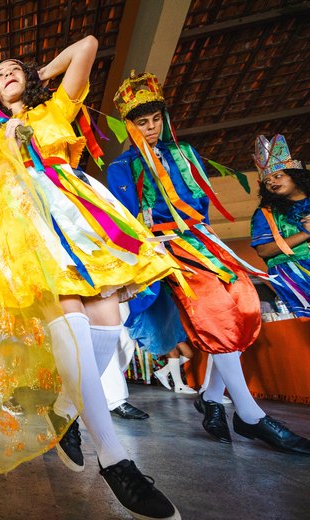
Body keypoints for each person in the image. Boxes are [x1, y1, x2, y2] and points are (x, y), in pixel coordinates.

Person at [0, 37, 182, 520]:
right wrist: (8, 139)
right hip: (29, 227)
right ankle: (115, 458)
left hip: (81, 218)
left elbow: (88, 46)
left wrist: (36, 73)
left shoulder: (56, 107)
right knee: (74, 320)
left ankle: (65, 409)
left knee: (107, 321)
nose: (6, 74)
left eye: (14, 69)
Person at [107, 71, 310, 455]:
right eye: (141, 122)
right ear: (129, 125)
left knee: (242, 301)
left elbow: (199, 204)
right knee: (215, 310)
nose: (150, 128)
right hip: (162, 248)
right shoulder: (121, 168)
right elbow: (127, 222)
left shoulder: (185, 155)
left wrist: (200, 233)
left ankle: (212, 398)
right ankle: (249, 415)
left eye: (155, 120)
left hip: (200, 239)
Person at [250, 135, 310, 318]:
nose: (272, 183)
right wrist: (305, 233)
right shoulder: (266, 213)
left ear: (295, 176)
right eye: (267, 181)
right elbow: (264, 251)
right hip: (295, 276)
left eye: (277, 176)